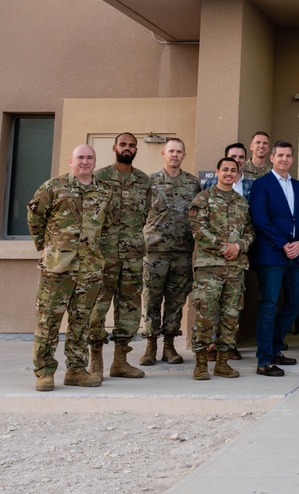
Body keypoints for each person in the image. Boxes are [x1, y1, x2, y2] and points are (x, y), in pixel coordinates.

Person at [27, 144, 110, 392]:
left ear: (95, 162)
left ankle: (76, 370)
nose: (85, 162)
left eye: (89, 158)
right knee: (48, 320)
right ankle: (44, 373)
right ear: (70, 161)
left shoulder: (104, 191)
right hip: (57, 268)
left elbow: (105, 225)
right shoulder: (53, 187)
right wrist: (47, 247)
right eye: (80, 158)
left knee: (81, 321)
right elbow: (34, 217)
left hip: (90, 267)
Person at [88, 132, 150, 381]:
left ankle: (120, 362)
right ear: (114, 147)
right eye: (123, 144)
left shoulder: (144, 180)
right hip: (104, 255)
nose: (127, 148)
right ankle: (95, 361)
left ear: (136, 149)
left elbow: (144, 214)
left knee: (130, 308)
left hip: (133, 255)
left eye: (132, 145)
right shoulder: (100, 177)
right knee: (97, 307)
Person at [188, 157, 255, 380]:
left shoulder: (242, 202)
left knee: (230, 315)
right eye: (225, 169)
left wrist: (238, 246)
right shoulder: (203, 199)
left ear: (237, 174)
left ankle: (223, 363)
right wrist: (222, 248)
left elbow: (250, 231)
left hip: (235, 267)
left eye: (233, 170)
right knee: (205, 315)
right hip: (209, 268)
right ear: (217, 171)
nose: (228, 173)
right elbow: (199, 231)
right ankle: (200, 364)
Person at [248, 141, 299, 377]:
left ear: (293, 159)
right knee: (269, 305)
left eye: (288, 156)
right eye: (280, 155)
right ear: (272, 158)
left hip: (298, 254)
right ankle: (264, 360)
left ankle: (275, 348)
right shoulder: (261, 185)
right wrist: (284, 244)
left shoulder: (298, 186)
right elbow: (260, 219)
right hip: (272, 254)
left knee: (296, 301)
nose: (284, 159)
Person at [139, 137, 200, 367]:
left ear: (184, 156)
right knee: (152, 299)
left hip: (182, 252)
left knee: (176, 301)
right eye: (171, 151)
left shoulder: (193, 183)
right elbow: (138, 214)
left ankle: (169, 346)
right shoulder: (150, 182)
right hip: (154, 252)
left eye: (179, 152)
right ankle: (150, 345)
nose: (175, 155)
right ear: (163, 154)